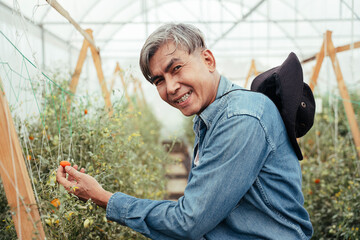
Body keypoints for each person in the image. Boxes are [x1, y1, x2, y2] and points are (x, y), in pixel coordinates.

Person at [57, 23, 313, 239]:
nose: (170, 87)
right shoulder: (211, 117)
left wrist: (104, 197)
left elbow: (189, 221)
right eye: (159, 80)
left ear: (208, 60)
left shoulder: (240, 118)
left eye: (176, 68)